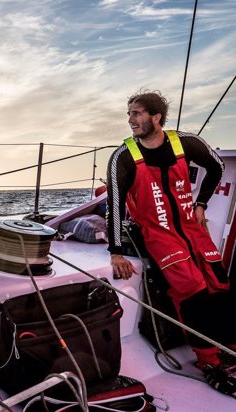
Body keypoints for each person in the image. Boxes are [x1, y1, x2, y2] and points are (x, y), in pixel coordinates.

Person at [106, 90, 236, 397]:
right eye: (129, 115)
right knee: (190, 289)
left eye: (136, 114)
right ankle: (207, 360)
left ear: (156, 117)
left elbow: (216, 166)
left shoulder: (184, 142)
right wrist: (115, 251)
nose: (131, 120)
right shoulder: (123, 157)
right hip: (159, 234)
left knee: (219, 283)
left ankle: (229, 345)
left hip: (193, 229)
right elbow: (113, 204)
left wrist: (202, 203)